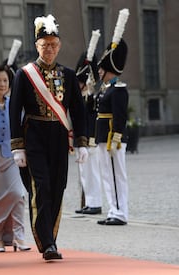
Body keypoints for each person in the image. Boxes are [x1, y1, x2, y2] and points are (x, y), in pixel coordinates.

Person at [9, 14, 88, 261]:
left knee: (57, 186)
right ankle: (47, 243)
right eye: (45, 45)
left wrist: (82, 141)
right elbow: (14, 110)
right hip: (33, 135)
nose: (50, 49)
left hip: (59, 136)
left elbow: (78, 110)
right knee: (40, 186)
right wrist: (17, 146)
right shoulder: (25, 74)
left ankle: (51, 237)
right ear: (37, 47)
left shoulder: (68, 75)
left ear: (59, 46)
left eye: (54, 45)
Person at [0, 64, 31, 253]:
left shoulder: (14, 103)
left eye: (5, 80)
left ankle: (18, 237)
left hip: (12, 154)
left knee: (17, 195)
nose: (2, 84)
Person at [95, 9, 130, 226]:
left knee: (117, 176)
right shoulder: (106, 88)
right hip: (103, 136)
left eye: (102, 69)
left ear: (110, 69)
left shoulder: (118, 90)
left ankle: (120, 213)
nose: (99, 72)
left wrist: (115, 137)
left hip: (111, 138)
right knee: (108, 175)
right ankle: (112, 209)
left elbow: (120, 116)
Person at [74, 30, 103, 215]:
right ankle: (89, 201)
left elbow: (92, 117)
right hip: (80, 138)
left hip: (90, 138)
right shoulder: (81, 96)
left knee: (92, 171)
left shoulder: (93, 96)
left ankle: (95, 202)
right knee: (84, 172)